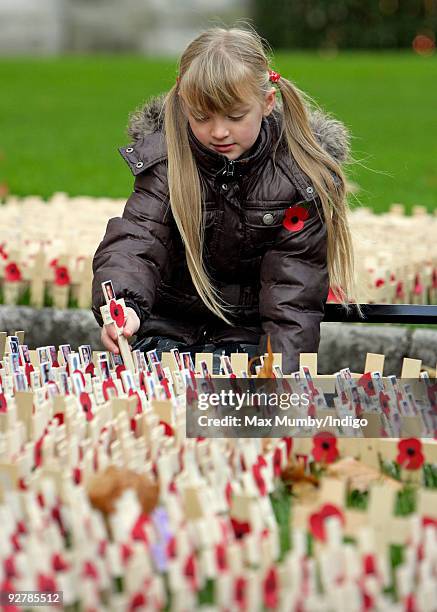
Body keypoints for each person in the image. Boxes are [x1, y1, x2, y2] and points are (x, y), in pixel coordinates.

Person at [92, 25, 356, 374]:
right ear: (184, 105)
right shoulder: (167, 161)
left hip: (246, 340)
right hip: (165, 331)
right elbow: (138, 239)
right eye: (201, 117)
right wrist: (124, 306)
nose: (218, 131)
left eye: (234, 116)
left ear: (267, 103)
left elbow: (292, 293)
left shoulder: (298, 180)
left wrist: (280, 373)